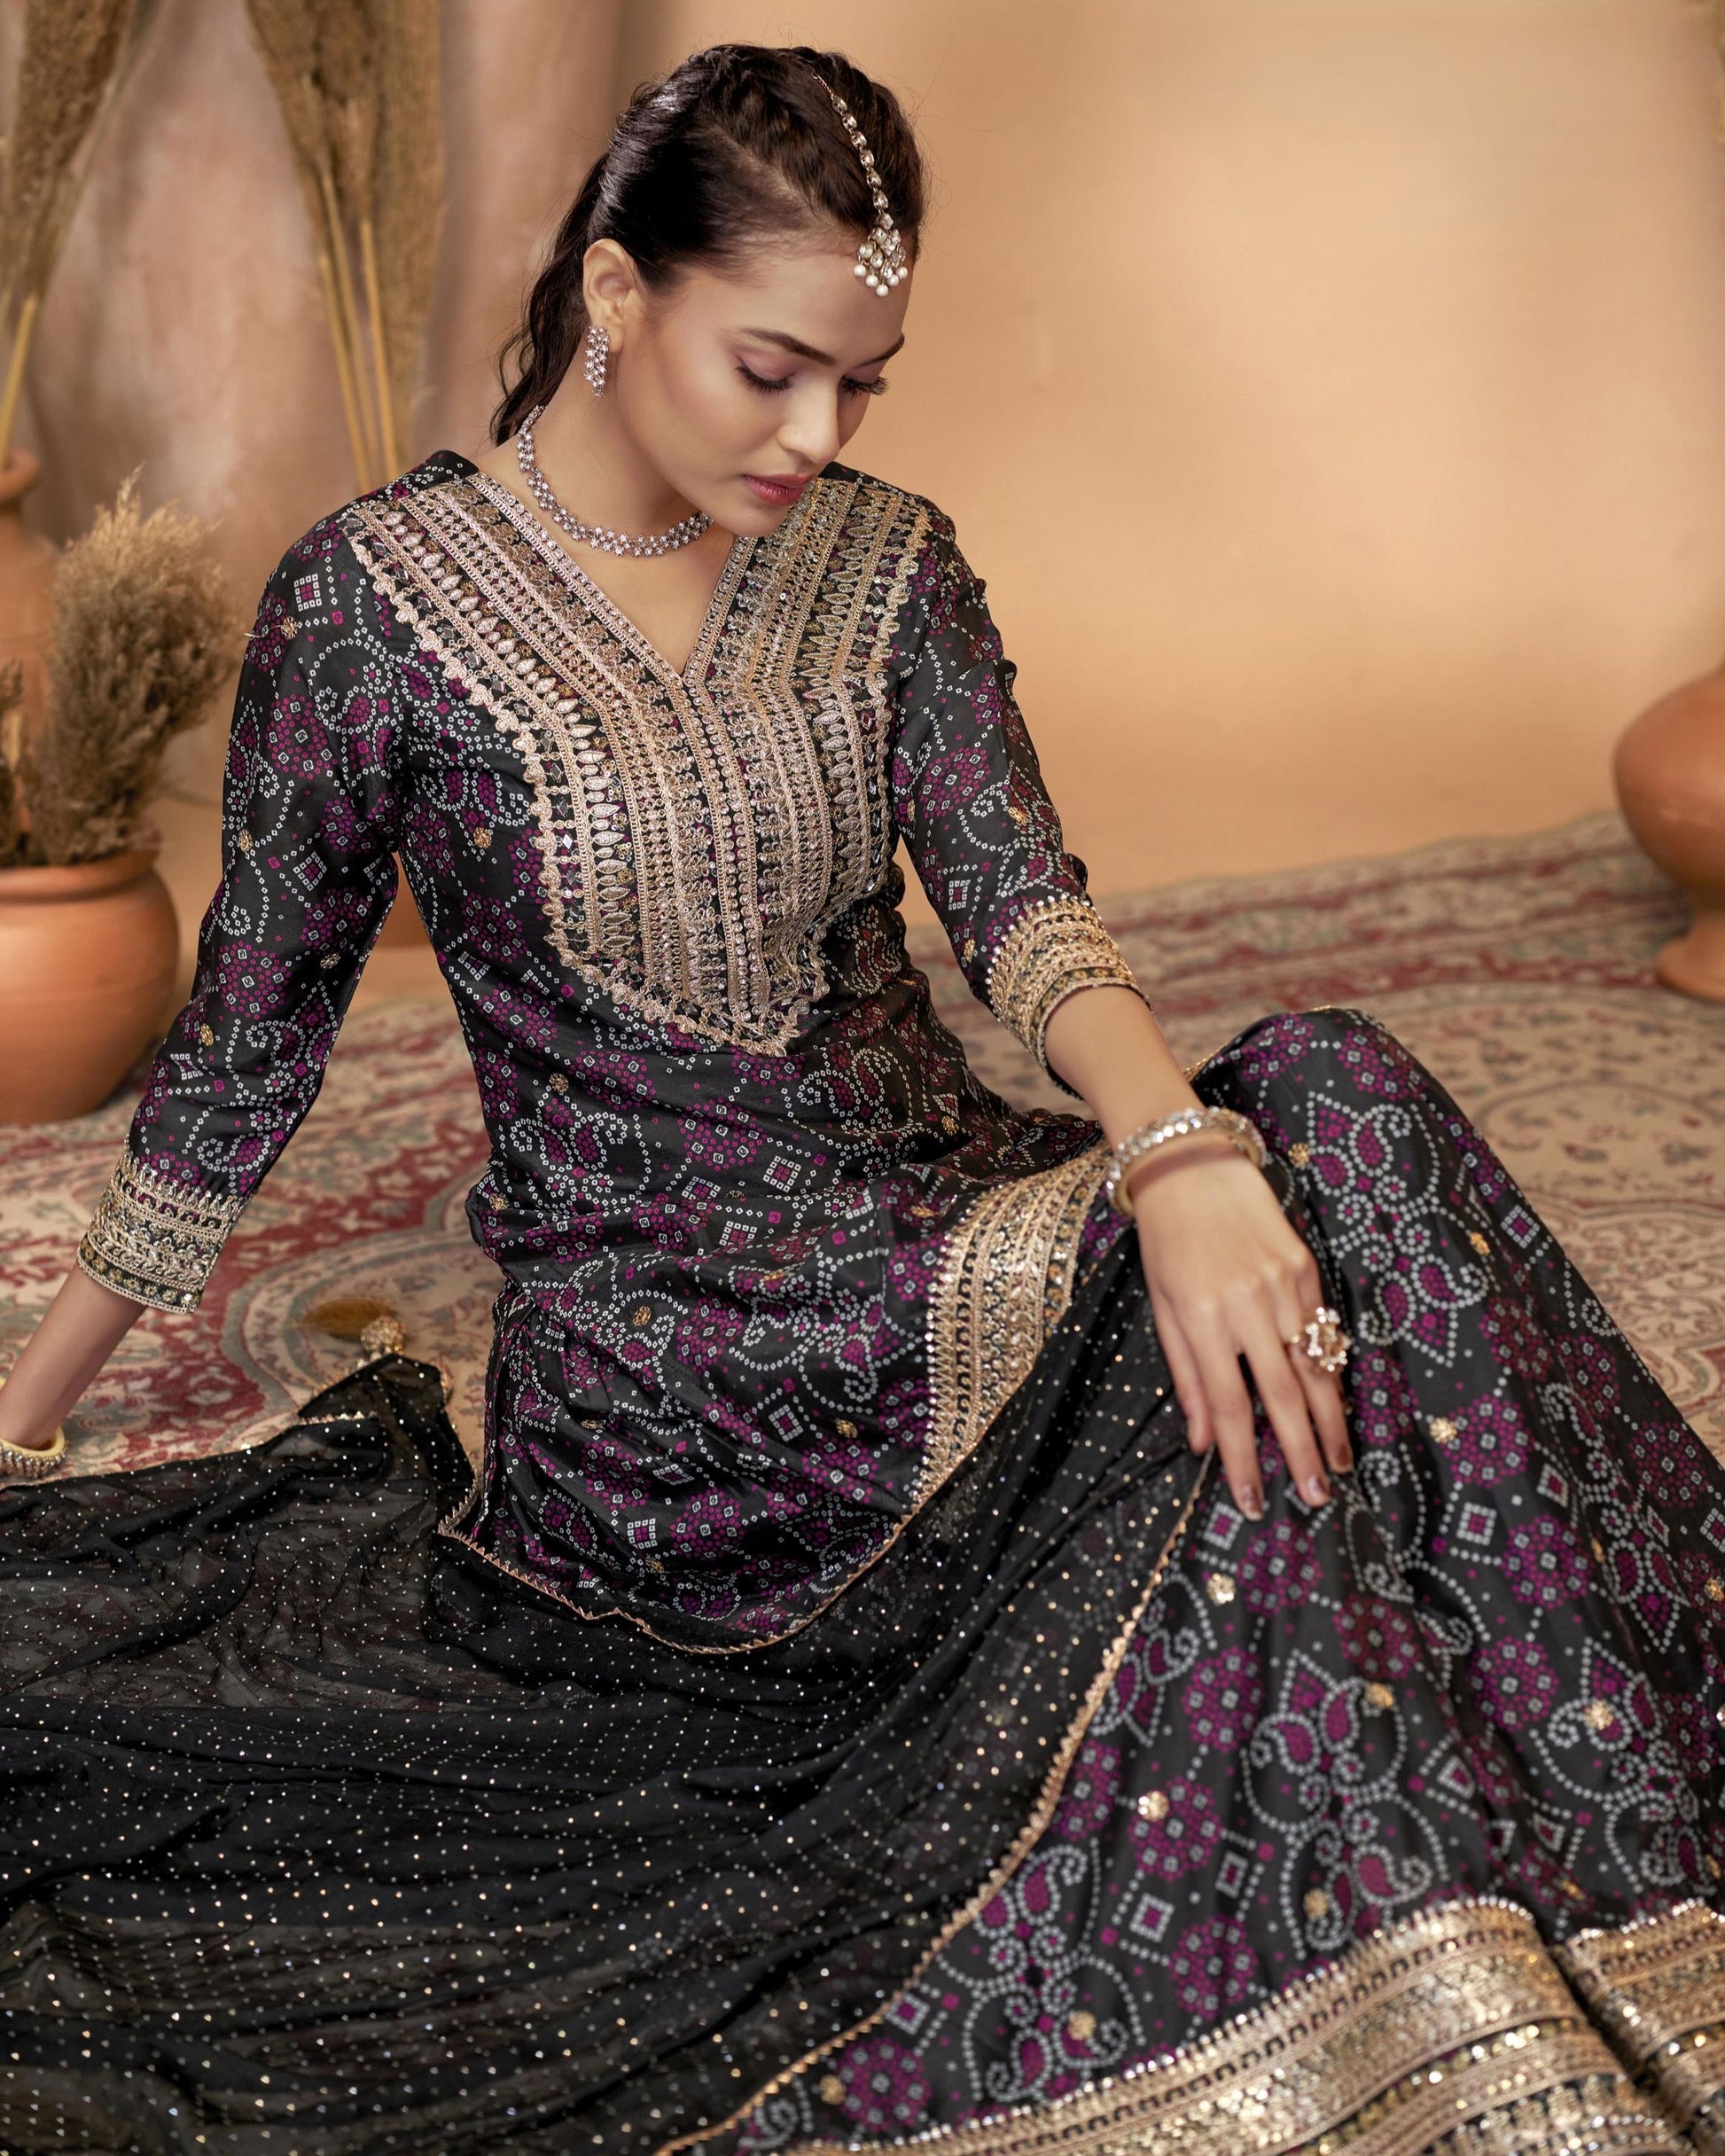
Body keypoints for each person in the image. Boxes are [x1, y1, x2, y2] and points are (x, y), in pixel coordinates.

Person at [0, 43, 1721, 2156]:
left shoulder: (889, 571)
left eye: (863, 386)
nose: (818, 435)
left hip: (942, 1228)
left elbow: (1026, 918)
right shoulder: (372, 617)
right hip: (674, 1394)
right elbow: (245, 1058)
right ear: (621, 296)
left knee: (1322, 1139)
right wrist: (29, 1396)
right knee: (1283, 1318)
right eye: (772, 366)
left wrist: (1169, 1153)